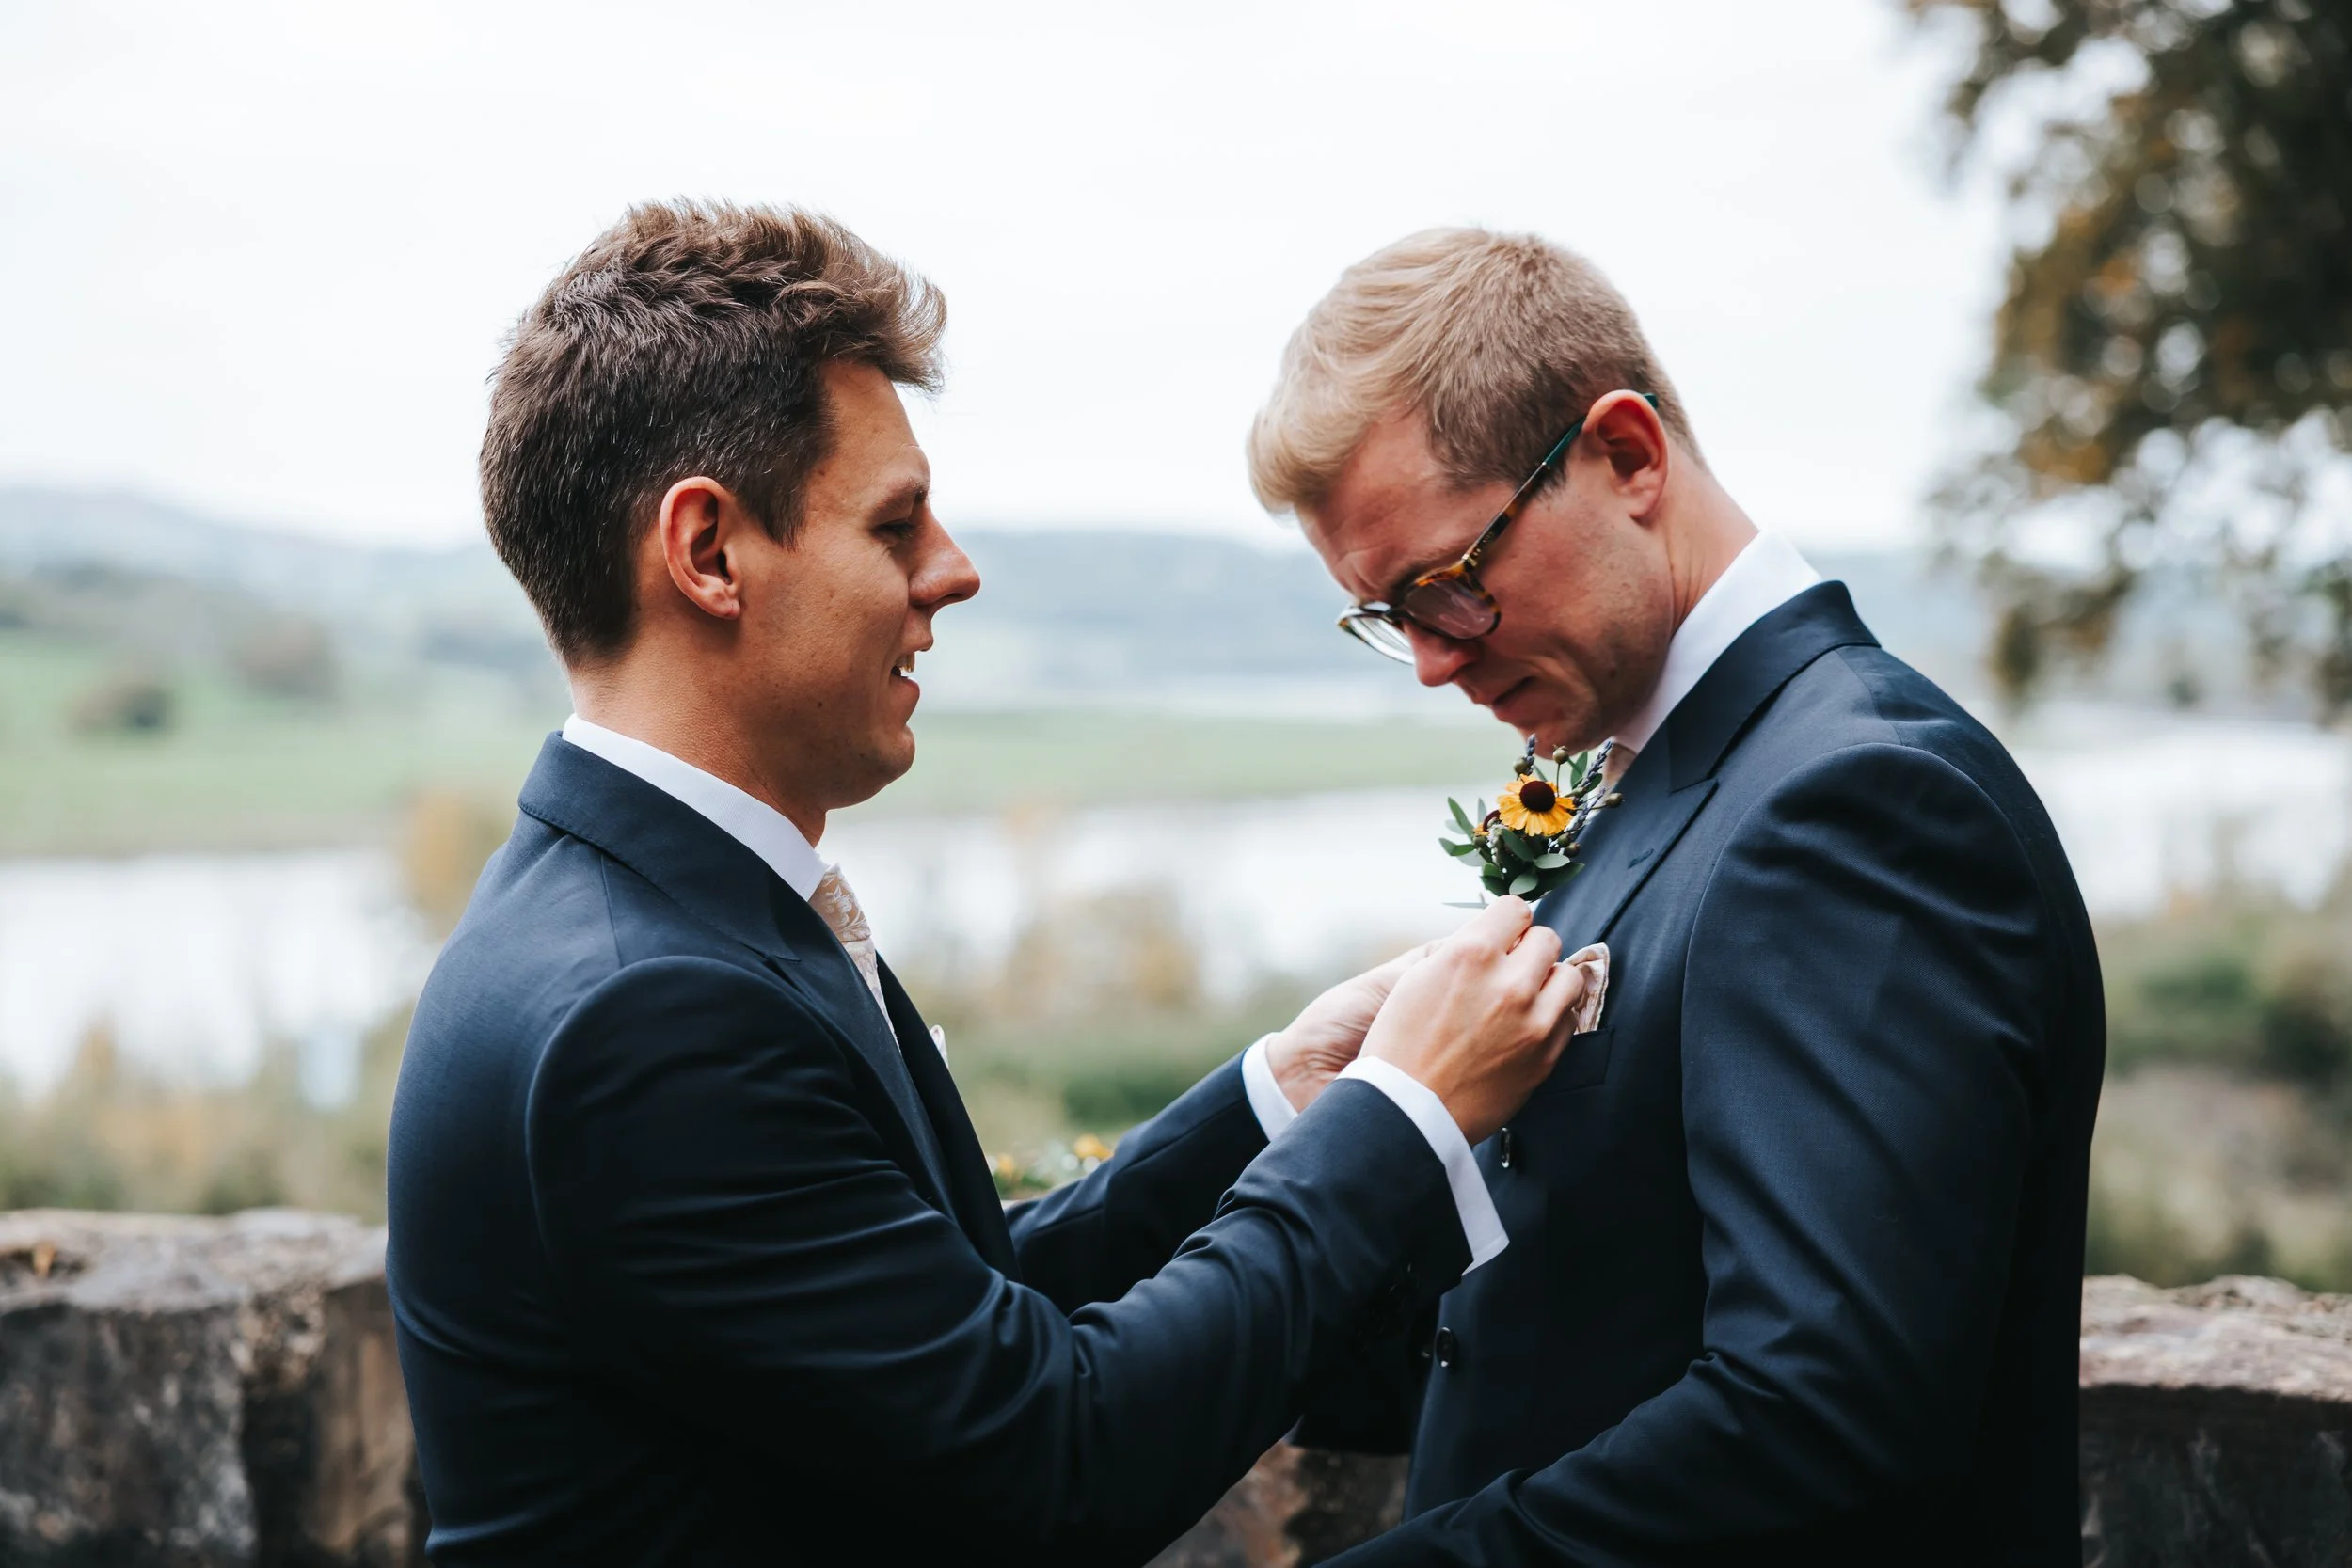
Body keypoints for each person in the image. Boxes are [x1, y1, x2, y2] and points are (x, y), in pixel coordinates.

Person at [386, 201, 1587, 1568]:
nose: (951, 572)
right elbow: (1055, 1459)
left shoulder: (662, 913)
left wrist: (1279, 1100)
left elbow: (957, 1310)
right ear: (709, 552)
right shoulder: (648, 1014)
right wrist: (1399, 1114)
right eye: (895, 526)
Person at [1248, 228, 2105, 1566]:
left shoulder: (1857, 806)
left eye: (1449, 586)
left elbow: (1818, 1420)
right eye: (1387, 615)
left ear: (1628, 456)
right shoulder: (1672, 773)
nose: (1426, 662)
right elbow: (1579, 1298)